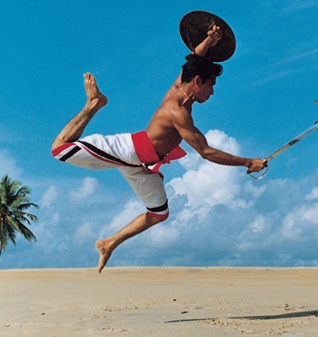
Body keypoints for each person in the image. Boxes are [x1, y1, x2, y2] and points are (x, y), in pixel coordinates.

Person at [52, 26, 266, 273]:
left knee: (158, 212)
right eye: (211, 85)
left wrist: (209, 39)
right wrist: (248, 162)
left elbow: (192, 62)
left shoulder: (182, 87)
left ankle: (109, 243)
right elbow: (206, 152)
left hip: (143, 166)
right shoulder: (178, 112)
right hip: (129, 150)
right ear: (198, 82)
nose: (212, 92)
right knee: (60, 150)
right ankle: (93, 104)